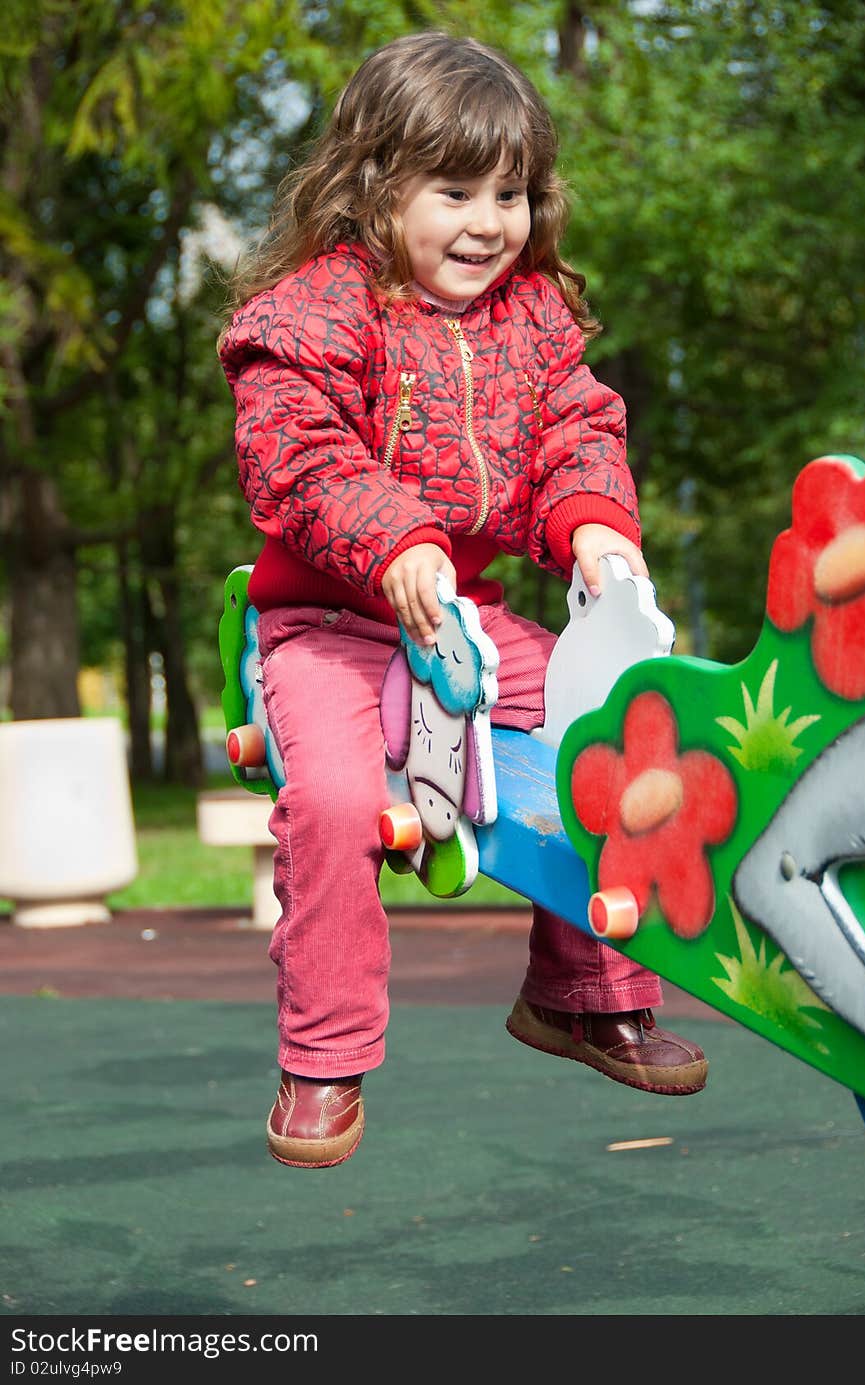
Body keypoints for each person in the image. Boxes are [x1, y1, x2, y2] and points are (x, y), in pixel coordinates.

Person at [218, 30, 708, 1170]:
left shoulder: (531, 319)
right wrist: (391, 537)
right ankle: (324, 1054)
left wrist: (594, 528)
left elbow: (577, 432)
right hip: (328, 630)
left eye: (513, 193)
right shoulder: (316, 313)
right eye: (454, 191)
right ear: (375, 187)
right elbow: (294, 453)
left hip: (465, 629)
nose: (489, 222)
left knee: (619, 733)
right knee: (336, 803)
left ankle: (586, 992)